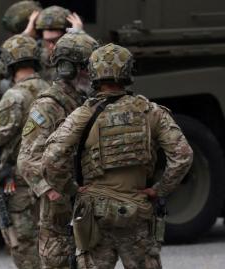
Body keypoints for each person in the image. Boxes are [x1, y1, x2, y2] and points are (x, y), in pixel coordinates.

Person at [41, 43, 194, 269]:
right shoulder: (151, 112)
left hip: (94, 215)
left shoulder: (83, 113)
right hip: (136, 214)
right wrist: (159, 190)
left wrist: (72, 189)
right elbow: (183, 156)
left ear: (93, 73)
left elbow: (51, 160)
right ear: (128, 71)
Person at [17, 32, 98, 269]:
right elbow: (27, 159)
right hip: (59, 211)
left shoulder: (87, 99)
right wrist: (52, 190)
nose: (91, 74)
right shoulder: (49, 105)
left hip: (87, 203)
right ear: (69, 69)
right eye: (86, 68)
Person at [0, 34, 49, 269]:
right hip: (50, 179)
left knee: (24, 247)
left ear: (9, 64)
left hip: (19, 183)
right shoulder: (52, 90)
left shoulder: (14, 96)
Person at [22, 5, 85, 82]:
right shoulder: (37, 56)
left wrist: (78, 36)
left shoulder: (77, 59)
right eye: (47, 41)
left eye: (56, 40)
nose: (51, 46)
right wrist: (26, 34)